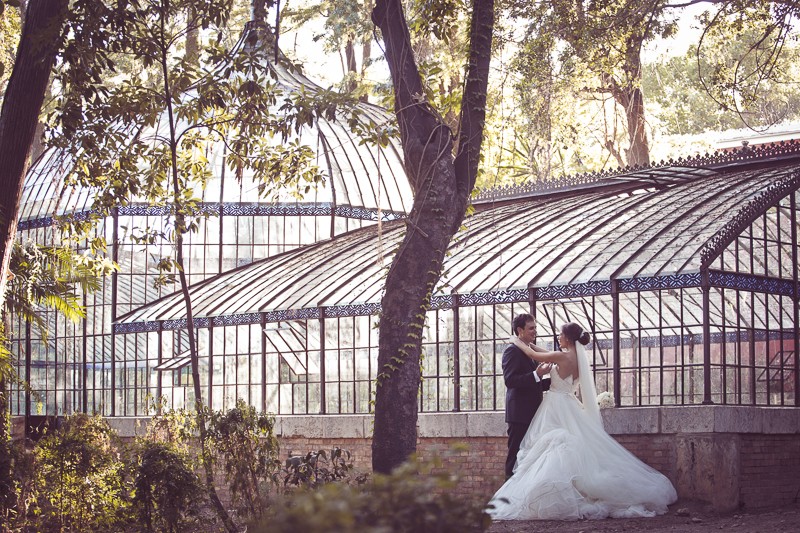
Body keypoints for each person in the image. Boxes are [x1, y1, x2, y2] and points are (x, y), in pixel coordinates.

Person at [489, 322, 677, 520]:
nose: (558, 337)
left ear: (568, 338)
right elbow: (542, 352)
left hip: (556, 406)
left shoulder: (561, 357)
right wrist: (527, 343)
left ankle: (551, 492)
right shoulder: (576, 358)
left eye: (560, 335)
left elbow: (534, 355)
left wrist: (515, 341)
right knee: (569, 448)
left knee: (555, 448)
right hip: (570, 404)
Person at [502, 313, 551, 479]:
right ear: (520, 330)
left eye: (535, 328)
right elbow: (510, 381)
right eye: (531, 328)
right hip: (519, 415)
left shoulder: (530, 351)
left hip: (534, 413)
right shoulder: (512, 351)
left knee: (528, 458)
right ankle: (507, 491)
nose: (535, 331)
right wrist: (537, 374)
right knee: (515, 456)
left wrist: (554, 383)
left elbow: (533, 384)